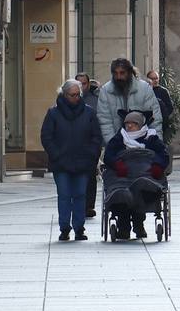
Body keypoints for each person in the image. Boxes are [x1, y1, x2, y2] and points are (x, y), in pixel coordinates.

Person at [41, 79, 104, 242]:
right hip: (61, 163)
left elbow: (96, 137)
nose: (76, 98)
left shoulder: (89, 113)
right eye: (72, 95)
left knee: (80, 194)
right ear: (64, 94)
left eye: (78, 94)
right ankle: (64, 228)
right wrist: (56, 154)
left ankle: (78, 227)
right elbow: (46, 137)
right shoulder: (53, 113)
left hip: (83, 162)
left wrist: (91, 155)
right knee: (64, 194)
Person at [103, 111, 171, 239]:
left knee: (142, 186)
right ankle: (124, 227)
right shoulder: (119, 138)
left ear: (140, 124)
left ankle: (138, 224)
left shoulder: (151, 138)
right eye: (127, 123)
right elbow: (108, 156)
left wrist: (157, 165)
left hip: (145, 172)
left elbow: (163, 155)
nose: (129, 126)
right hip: (123, 174)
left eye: (133, 123)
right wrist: (117, 164)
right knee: (122, 191)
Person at [96, 57, 164, 144]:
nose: (118, 77)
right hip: (117, 144)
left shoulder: (144, 89)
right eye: (115, 73)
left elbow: (155, 119)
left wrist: (156, 144)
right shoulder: (106, 91)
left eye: (122, 73)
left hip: (143, 143)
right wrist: (112, 145)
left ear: (129, 72)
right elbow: (105, 122)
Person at [75, 72, 102, 218]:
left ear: (88, 84)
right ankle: (77, 203)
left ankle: (89, 206)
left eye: (83, 84)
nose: (81, 87)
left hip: (91, 144)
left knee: (90, 176)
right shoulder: (66, 99)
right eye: (78, 83)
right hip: (72, 146)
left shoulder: (96, 99)